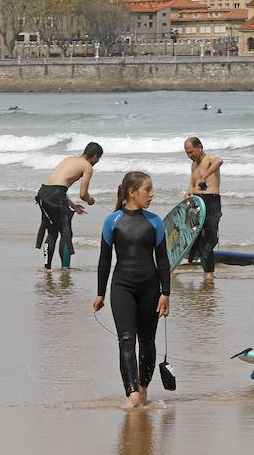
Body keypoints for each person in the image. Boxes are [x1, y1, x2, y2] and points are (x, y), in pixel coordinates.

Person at [94, 172, 170, 409]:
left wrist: (165, 293)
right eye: (148, 189)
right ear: (132, 192)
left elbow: (164, 261)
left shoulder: (155, 222)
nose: (151, 194)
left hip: (150, 288)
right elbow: (104, 260)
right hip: (122, 287)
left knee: (147, 341)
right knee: (126, 340)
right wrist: (100, 293)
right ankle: (133, 394)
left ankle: (144, 388)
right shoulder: (112, 221)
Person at [35, 142, 103, 269]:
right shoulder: (87, 166)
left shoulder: (68, 159)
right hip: (56, 195)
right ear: (95, 156)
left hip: (43, 193)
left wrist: (72, 205)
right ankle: (65, 269)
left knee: (52, 232)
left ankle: (47, 268)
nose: (97, 162)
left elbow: (57, 185)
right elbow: (83, 194)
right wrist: (90, 200)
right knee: (66, 233)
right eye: (98, 159)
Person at [184, 137, 223, 280]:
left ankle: (209, 274)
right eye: (187, 153)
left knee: (209, 238)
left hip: (211, 200)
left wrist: (205, 176)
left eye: (191, 152)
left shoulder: (209, 159)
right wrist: (188, 193)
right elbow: (192, 181)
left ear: (200, 147)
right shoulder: (193, 165)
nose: (189, 156)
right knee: (198, 238)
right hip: (196, 201)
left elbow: (220, 161)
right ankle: (208, 275)